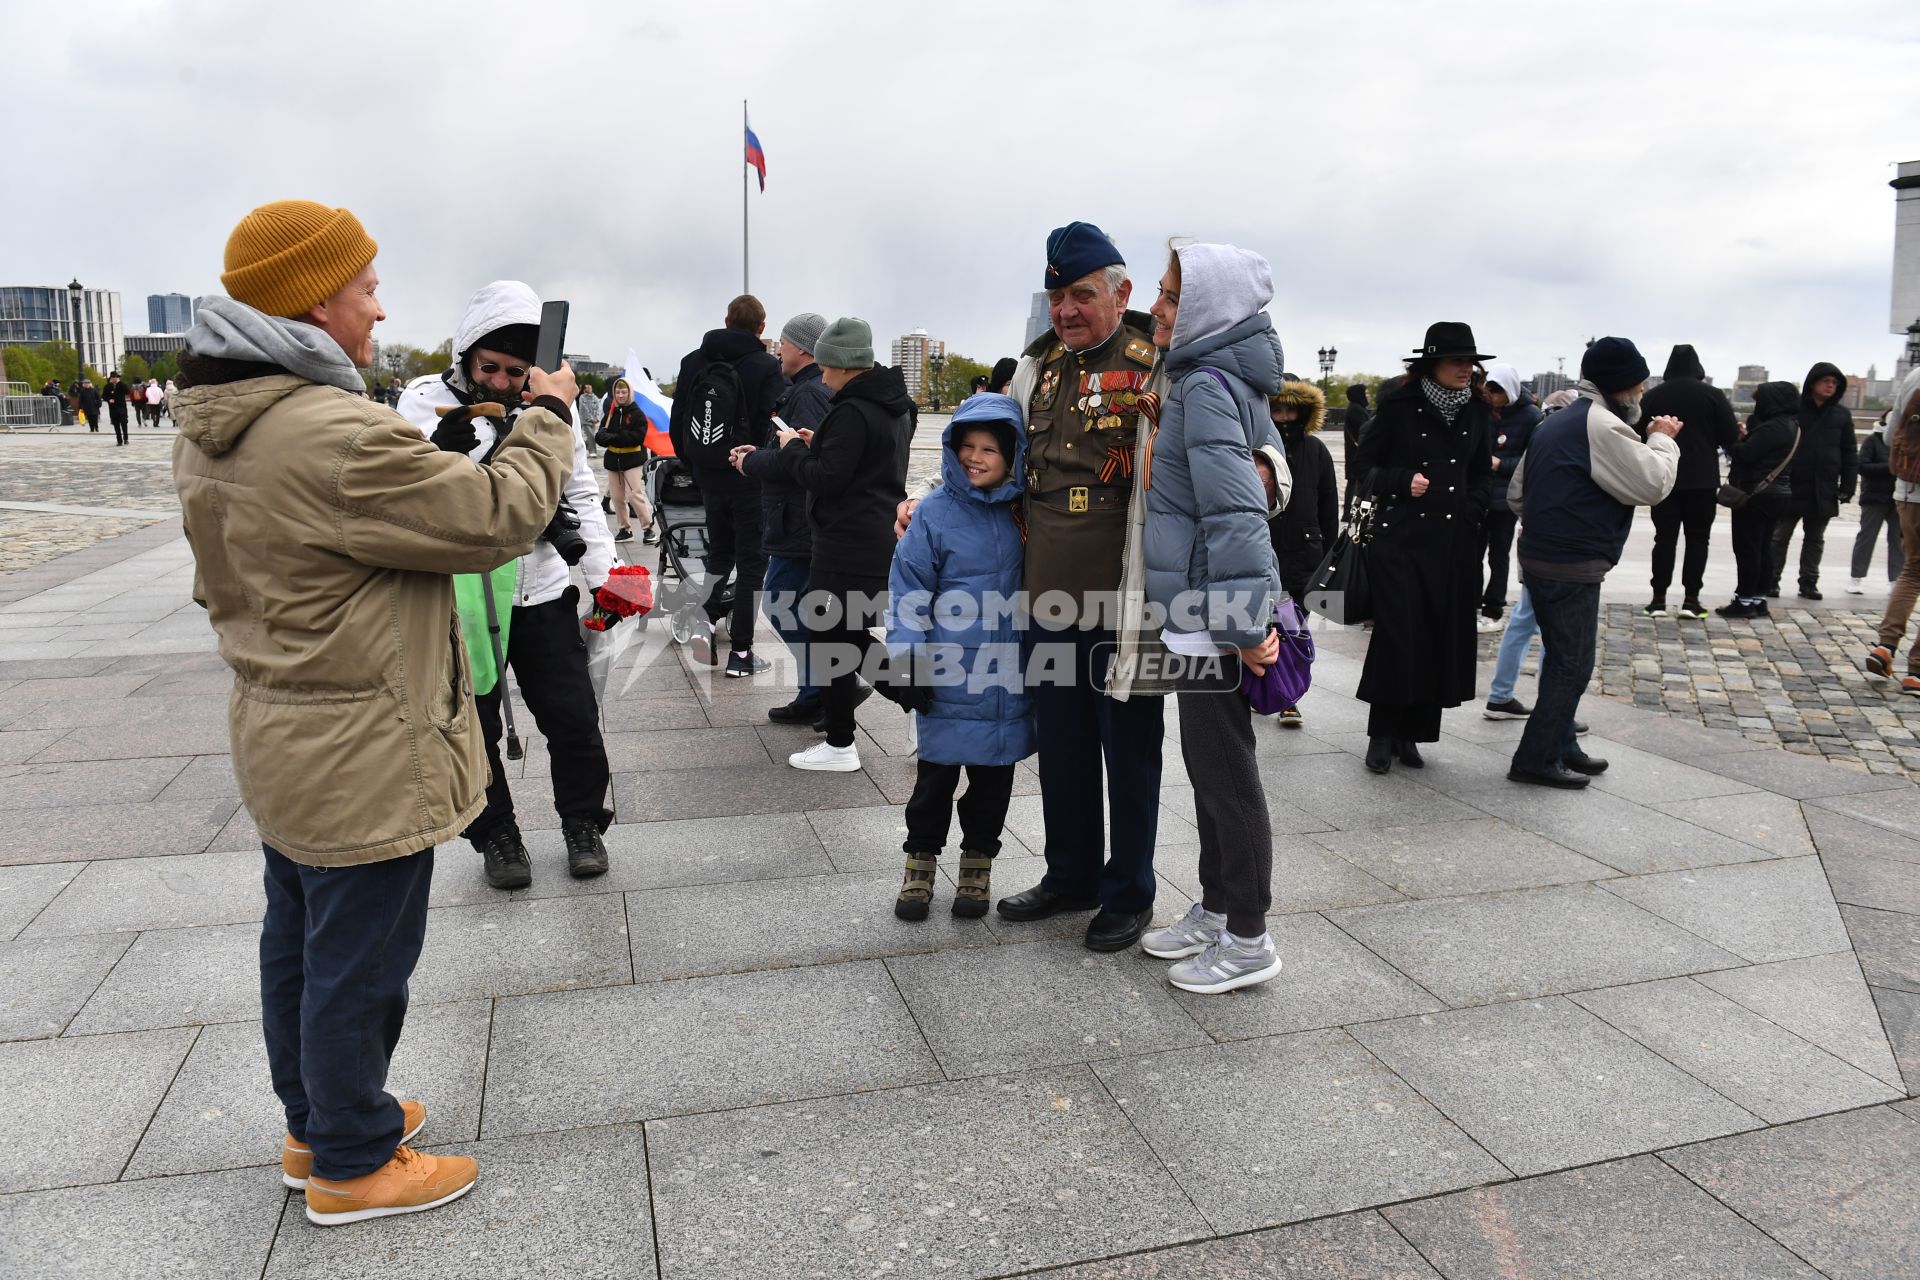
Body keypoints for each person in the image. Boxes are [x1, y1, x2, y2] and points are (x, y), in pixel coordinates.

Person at [171, 200, 574, 1225]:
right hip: (361, 742)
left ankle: (319, 1120)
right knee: (360, 955)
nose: (380, 308)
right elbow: (495, 517)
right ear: (314, 301)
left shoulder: (222, 423)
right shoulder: (328, 431)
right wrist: (550, 418)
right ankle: (353, 1158)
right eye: (366, 288)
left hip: (285, 729)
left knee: (300, 939)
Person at [397, 279, 621, 888]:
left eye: (515, 371)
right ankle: (495, 832)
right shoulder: (422, 402)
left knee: (573, 716)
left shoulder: (551, 406)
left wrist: (606, 576)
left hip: (542, 587)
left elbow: (579, 491)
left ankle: (583, 821)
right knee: (474, 724)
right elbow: (400, 491)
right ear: (465, 355)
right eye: (487, 366)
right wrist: (441, 456)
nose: (499, 381)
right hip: (462, 597)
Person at [994, 223, 1170, 954]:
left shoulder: (1158, 364)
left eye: (1082, 294)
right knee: (1062, 748)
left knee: (1129, 753)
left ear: (1121, 293)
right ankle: (1070, 873)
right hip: (1045, 600)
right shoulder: (1038, 369)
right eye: (1058, 296)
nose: (1067, 309)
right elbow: (998, 462)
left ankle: (1128, 890)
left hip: (1126, 605)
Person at [1134, 243, 1288, 994]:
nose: (1157, 308)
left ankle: (1250, 938)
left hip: (1209, 617)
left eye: (1169, 296)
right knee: (1208, 771)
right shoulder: (1208, 377)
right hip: (1195, 609)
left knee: (1226, 775)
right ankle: (1220, 905)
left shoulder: (1205, 384)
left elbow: (1237, 512)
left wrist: (1239, 623)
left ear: (1206, 306)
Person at [885, 393, 1034, 919]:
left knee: (992, 783)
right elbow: (908, 592)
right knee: (933, 783)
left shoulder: (1029, 512)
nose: (975, 457)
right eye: (966, 446)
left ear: (1012, 454)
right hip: (946, 675)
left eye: (989, 448)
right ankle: (919, 865)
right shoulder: (935, 515)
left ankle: (977, 866)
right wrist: (905, 658)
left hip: (1009, 677)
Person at [1507, 337, 1679, 787]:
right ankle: (1535, 758)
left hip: (1541, 555)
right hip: (1571, 563)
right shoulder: (1603, 426)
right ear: (1622, 386)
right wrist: (1662, 439)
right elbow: (1653, 484)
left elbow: (1516, 493)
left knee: (1561, 657)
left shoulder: (1556, 421)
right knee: (1572, 664)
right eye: (1639, 387)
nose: (1642, 394)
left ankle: (1563, 744)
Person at [1351, 322, 1494, 774]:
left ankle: (1412, 735)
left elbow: (1481, 476)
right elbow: (1362, 466)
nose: (1466, 369)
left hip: (1454, 546)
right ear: (1432, 364)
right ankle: (1382, 733)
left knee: (1436, 637)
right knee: (1398, 637)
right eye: (1457, 361)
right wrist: (1399, 482)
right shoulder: (1398, 405)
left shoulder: (1476, 411)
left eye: (1470, 362)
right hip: (1401, 543)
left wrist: (1471, 511)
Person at [776, 318, 914, 770]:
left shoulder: (853, 410)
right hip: (875, 535)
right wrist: (823, 443)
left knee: (833, 636)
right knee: (844, 633)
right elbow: (867, 463)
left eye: (826, 363)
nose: (822, 371)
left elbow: (827, 480)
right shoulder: (893, 405)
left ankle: (844, 742)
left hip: (845, 541)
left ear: (840, 363)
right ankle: (916, 703)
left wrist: (793, 450)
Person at [672, 295, 785, 677]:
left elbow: (678, 422)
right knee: (753, 561)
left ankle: (704, 625)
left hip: (708, 476)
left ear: (725, 320)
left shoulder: (693, 361)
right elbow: (773, 424)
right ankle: (741, 653)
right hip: (748, 477)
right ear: (762, 328)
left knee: (719, 554)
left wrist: (696, 465)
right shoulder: (767, 366)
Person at [737, 312, 834, 726]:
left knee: (779, 600)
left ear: (802, 348)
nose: (778, 349)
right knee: (798, 604)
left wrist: (752, 461)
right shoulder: (808, 388)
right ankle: (818, 690)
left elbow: (804, 458)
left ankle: (828, 685)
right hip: (798, 516)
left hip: (798, 518)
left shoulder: (808, 394)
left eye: (784, 342)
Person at [1635, 344, 1737, 619]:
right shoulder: (1713, 395)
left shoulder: (1654, 396)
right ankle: (1692, 600)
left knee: (1664, 539)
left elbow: (1636, 432)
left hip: (1664, 477)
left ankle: (1657, 600)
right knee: (1698, 540)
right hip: (1702, 479)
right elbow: (1730, 436)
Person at [1264, 376, 1335, 726]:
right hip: (1267, 547)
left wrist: (1329, 556)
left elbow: (1328, 503)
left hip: (1305, 553)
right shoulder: (1259, 446)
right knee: (1266, 624)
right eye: (1277, 409)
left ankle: (1289, 695)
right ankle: (1271, 689)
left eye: (1291, 410)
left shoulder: (1316, 450)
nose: (1285, 417)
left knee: (1293, 626)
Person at [1769, 362, 1856, 599]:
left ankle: (1808, 582)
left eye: (1834, 383)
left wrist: (1848, 486)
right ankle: (1771, 580)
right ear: (1813, 383)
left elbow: (1849, 451)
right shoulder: (1795, 410)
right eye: (1826, 381)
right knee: (1779, 536)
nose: (1830, 386)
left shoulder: (1841, 414)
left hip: (1823, 486)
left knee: (1815, 539)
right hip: (1793, 484)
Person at [1716, 381, 1801, 619]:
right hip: (1779, 495)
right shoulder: (1793, 426)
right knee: (1764, 549)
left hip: (1757, 496)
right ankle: (1758, 599)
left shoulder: (1772, 427)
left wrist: (1733, 439)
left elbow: (1744, 454)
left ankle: (1743, 602)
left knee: (1747, 549)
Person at [1865, 370, 1920, 691]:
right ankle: (1916, 670)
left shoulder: (1914, 376)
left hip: (1909, 491)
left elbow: (1890, 437)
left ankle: (1885, 647)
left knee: (1912, 570)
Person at [1479, 363, 1541, 630]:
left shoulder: (1530, 416)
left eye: (1497, 391)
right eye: (1488, 390)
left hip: (1506, 496)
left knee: (1498, 555)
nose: (1492, 396)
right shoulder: (1486, 411)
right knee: (1471, 553)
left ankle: (1493, 608)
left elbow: (1534, 459)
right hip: (1481, 493)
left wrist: (1500, 464)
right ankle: (1470, 603)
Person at [1850, 409, 1904, 593]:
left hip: (1899, 498)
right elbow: (1862, 466)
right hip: (1874, 496)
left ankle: (1895, 580)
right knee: (1867, 537)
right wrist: (1890, 467)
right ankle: (1856, 578)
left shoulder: (1907, 441)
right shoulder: (1873, 440)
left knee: (1898, 540)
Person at [597, 378, 651, 542]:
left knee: (635, 495)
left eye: (624, 392)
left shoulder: (637, 414)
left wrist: (612, 438)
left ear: (630, 393)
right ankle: (624, 529)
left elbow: (636, 437)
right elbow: (601, 434)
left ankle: (648, 529)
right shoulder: (611, 413)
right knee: (617, 497)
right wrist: (602, 437)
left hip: (632, 459)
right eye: (618, 392)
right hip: (614, 460)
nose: (620, 395)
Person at [1341, 381, 1373, 501]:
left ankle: (1348, 511)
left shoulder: (1356, 408)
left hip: (1353, 451)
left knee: (1353, 482)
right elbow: (1364, 431)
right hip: (1356, 452)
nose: (1368, 395)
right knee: (1354, 482)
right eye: (1366, 393)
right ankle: (1349, 511)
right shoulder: (1357, 410)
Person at [576, 378, 602, 458]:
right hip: (586, 421)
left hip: (594, 421)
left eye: (590, 387)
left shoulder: (595, 397)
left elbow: (598, 407)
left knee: (591, 437)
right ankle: (592, 452)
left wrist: (597, 418)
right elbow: (584, 409)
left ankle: (583, 446)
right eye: (587, 388)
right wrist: (591, 418)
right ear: (584, 389)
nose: (589, 389)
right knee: (591, 436)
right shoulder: (582, 398)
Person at [102, 372, 131, 443]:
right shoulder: (107, 386)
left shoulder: (121, 385)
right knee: (116, 425)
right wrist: (109, 399)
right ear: (111, 378)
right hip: (113, 408)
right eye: (114, 377)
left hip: (122, 407)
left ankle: (126, 438)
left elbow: (127, 391)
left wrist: (120, 383)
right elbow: (103, 396)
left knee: (124, 423)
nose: (115, 379)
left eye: (117, 377)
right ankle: (119, 440)